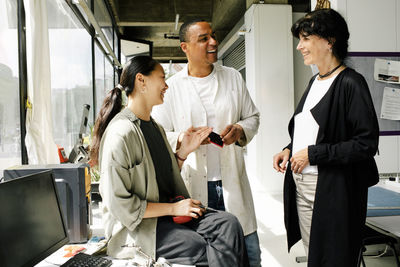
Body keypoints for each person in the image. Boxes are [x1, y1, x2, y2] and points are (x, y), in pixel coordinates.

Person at [90, 55, 249, 266]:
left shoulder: (155, 127)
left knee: (229, 223)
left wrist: (183, 153)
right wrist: (174, 209)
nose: (166, 85)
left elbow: (160, 178)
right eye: (162, 78)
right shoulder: (121, 133)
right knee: (199, 245)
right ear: (141, 80)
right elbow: (119, 204)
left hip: (166, 216)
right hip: (138, 228)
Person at [272, 8, 379, 267]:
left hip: (333, 189)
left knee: (335, 258)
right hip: (303, 185)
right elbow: (311, 131)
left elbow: (366, 143)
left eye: (306, 38)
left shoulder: (351, 83)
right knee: (316, 257)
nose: (300, 47)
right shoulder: (315, 82)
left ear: (329, 41)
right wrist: (289, 149)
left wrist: (313, 153)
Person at [152, 19, 261, 267]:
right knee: (209, 257)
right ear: (184, 47)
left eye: (213, 36)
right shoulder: (171, 88)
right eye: (203, 39)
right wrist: (181, 138)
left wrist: (240, 130)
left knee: (251, 255)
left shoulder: (233, 78)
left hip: (231, 182)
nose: (213, 42)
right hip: (193, 186)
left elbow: (252, 116)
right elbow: (159, 135)